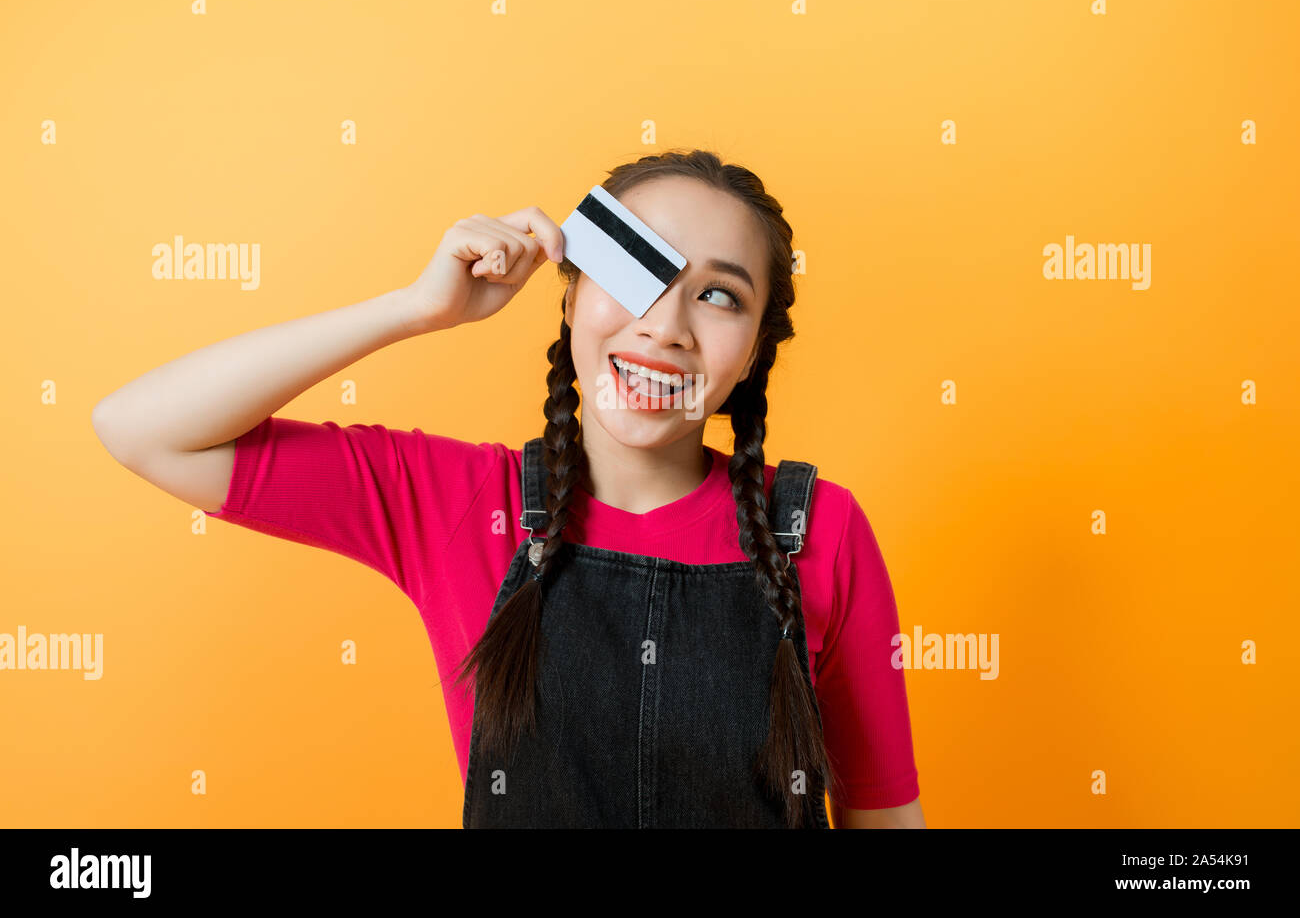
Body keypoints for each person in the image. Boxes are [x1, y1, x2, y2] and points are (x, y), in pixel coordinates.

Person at [92, 148, 924, 828]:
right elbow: (141, 427)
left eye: (718, 295)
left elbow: (886, 820)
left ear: (752, 354)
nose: (665, 327)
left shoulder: (819, 530)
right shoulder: (455, 501)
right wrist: (415, 309)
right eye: (638, 275)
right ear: (570, 295)